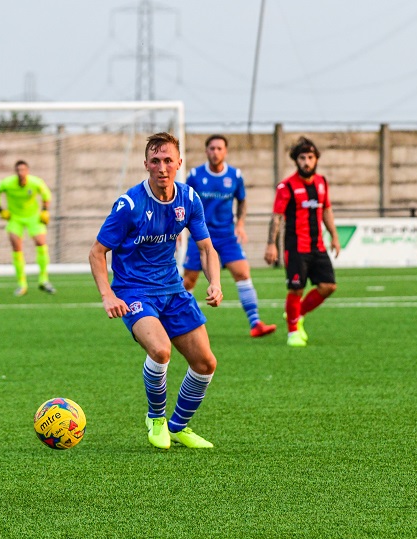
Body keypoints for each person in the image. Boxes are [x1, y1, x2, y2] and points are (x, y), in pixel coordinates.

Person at [89, 132, 223, 450]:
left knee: (206, 363)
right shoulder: (129, 205)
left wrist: (214, 282)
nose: (162, 167)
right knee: (161, 350)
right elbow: (97, 252)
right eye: (155, 161)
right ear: (146, 164)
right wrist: (108, 295)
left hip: (173, 289)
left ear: (179, 163)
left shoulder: (189, 199)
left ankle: (178, 426)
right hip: (134, 291)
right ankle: (156, 418)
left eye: (168, 160)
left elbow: (206, 249)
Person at [184, 135, 277, 338]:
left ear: (225, 151)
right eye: (211, 148)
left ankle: (255, 323)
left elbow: (242, 201)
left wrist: (241, 224)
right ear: (206, 151)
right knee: (189, 281)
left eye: (219, 148)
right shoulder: (195, 175)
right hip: (201, 236)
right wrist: (180, 231)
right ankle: (182, 323)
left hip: (226, 235)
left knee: (243, 273)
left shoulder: (235, 175)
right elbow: (184, 203)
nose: (215, 152)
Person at [264, 136, 340, 347]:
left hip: (318, 246)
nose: (306, 162)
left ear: (316, 159)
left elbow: (326, 210)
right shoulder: (286, 186)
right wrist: (271, 244)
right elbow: (277, 216)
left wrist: (334, 236)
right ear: (295, 160)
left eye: (310, 157)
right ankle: (293, 333)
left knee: (328, 286)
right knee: (296, 290)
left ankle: (297, 314)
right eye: (302, 158)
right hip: (296, 247)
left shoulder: (322, 183)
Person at [0, 160, 55, 296]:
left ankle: (44, 280)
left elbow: (46, 195)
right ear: (16, 172)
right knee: (16, 247)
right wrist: (0, 209)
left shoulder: (36, 182)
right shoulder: (7, 183)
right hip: (15, 218)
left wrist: (45, 211)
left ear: (27, 171)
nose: (21, 173)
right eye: (18, 170)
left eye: (23, 170)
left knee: (41, 243)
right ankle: (22, 284)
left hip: (33, 218)